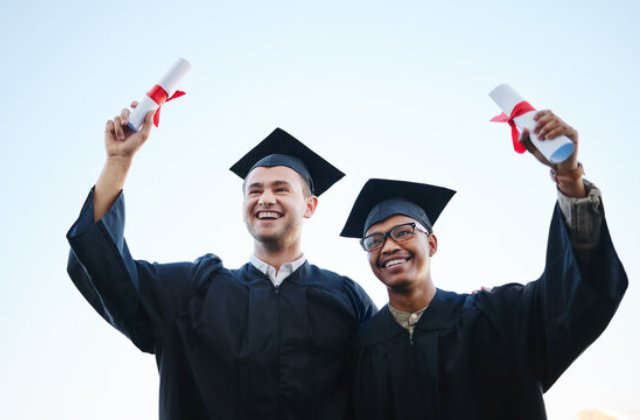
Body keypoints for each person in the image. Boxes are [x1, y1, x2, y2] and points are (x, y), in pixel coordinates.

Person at [66, 105, 376, 420]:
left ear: (309, 206)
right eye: (254, 190)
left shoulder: (345, 299)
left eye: (280, 189)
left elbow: (389, 382)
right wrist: (118, 162)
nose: (265, 198)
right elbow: (105, 268)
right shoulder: (193, 291)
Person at [340, 111, 627, 419]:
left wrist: (568, 176)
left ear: (432, 244)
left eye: (404, 231)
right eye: (375, 241)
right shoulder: (361, 348)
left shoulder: (497, 316)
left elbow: (576, 294)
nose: (390, 246)